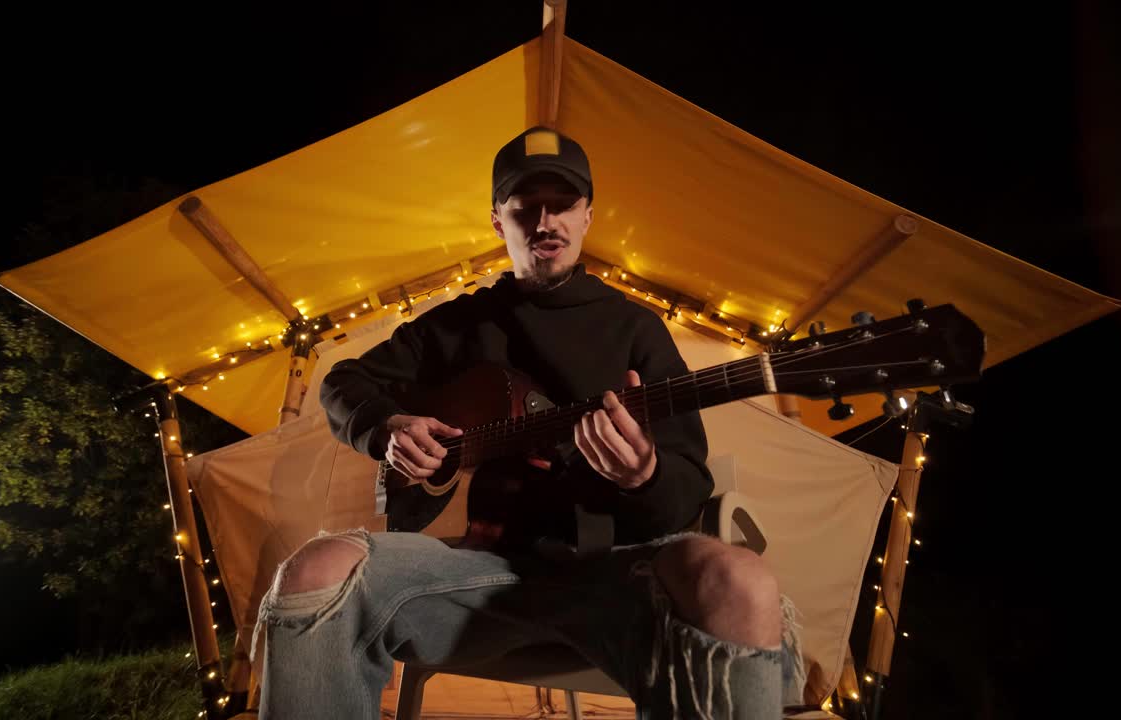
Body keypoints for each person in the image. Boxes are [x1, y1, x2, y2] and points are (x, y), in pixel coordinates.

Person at [255, 126, 805, 719]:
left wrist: (642, 473)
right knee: (313, 569)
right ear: (498, 220)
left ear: (588, 215)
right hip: (471, 574)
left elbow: (682, 496)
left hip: (612, 576)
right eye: (526, 207)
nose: (547, 222)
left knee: (741, 581)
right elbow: (341, 383)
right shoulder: (459, 325)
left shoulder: (637, 331)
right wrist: (386, 427)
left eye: (564, 204)